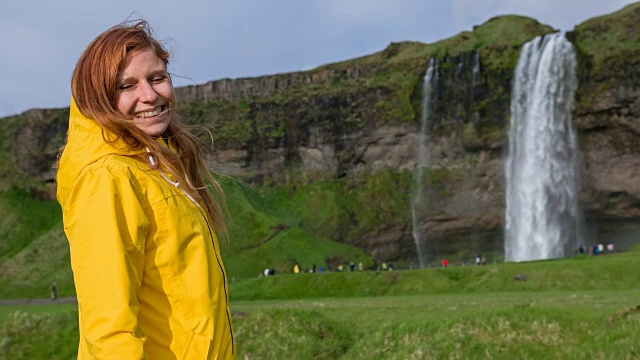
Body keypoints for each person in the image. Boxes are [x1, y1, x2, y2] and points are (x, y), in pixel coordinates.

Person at [56, 20, 235, 359]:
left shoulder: (155, 167)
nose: (149, 95)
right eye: (127, 86)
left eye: (157, 78)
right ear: (99, 99)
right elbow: (109, 328)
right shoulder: (108, 177)